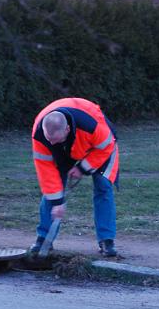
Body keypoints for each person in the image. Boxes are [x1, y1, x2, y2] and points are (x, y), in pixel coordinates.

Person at [29, 97, 120, 257]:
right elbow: (46, 171)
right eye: (49, 140)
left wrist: (83, 168)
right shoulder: (40, 134)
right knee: (51, 194)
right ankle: (44, 238)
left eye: (55, 140)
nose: (51, 143)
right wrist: (57, 202)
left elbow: (106, 147)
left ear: (67, 129)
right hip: (67, 149)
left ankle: (107, 240)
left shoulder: (93, 126)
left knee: (103, 186)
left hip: (99, 149)